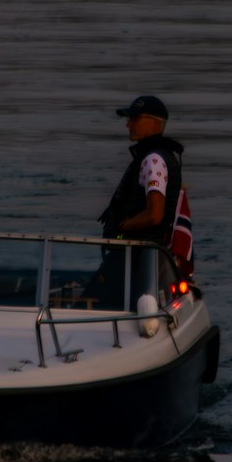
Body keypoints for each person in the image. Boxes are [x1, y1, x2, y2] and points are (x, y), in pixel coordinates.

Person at [87, 95, 192, 308]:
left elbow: (155, 215)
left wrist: (124, 226)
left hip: (135, 258)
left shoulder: (153, 160)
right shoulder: (159, 156)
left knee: (90, 302)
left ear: (154, 123)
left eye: (134, 118)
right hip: (138, 258)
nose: (128, 124)